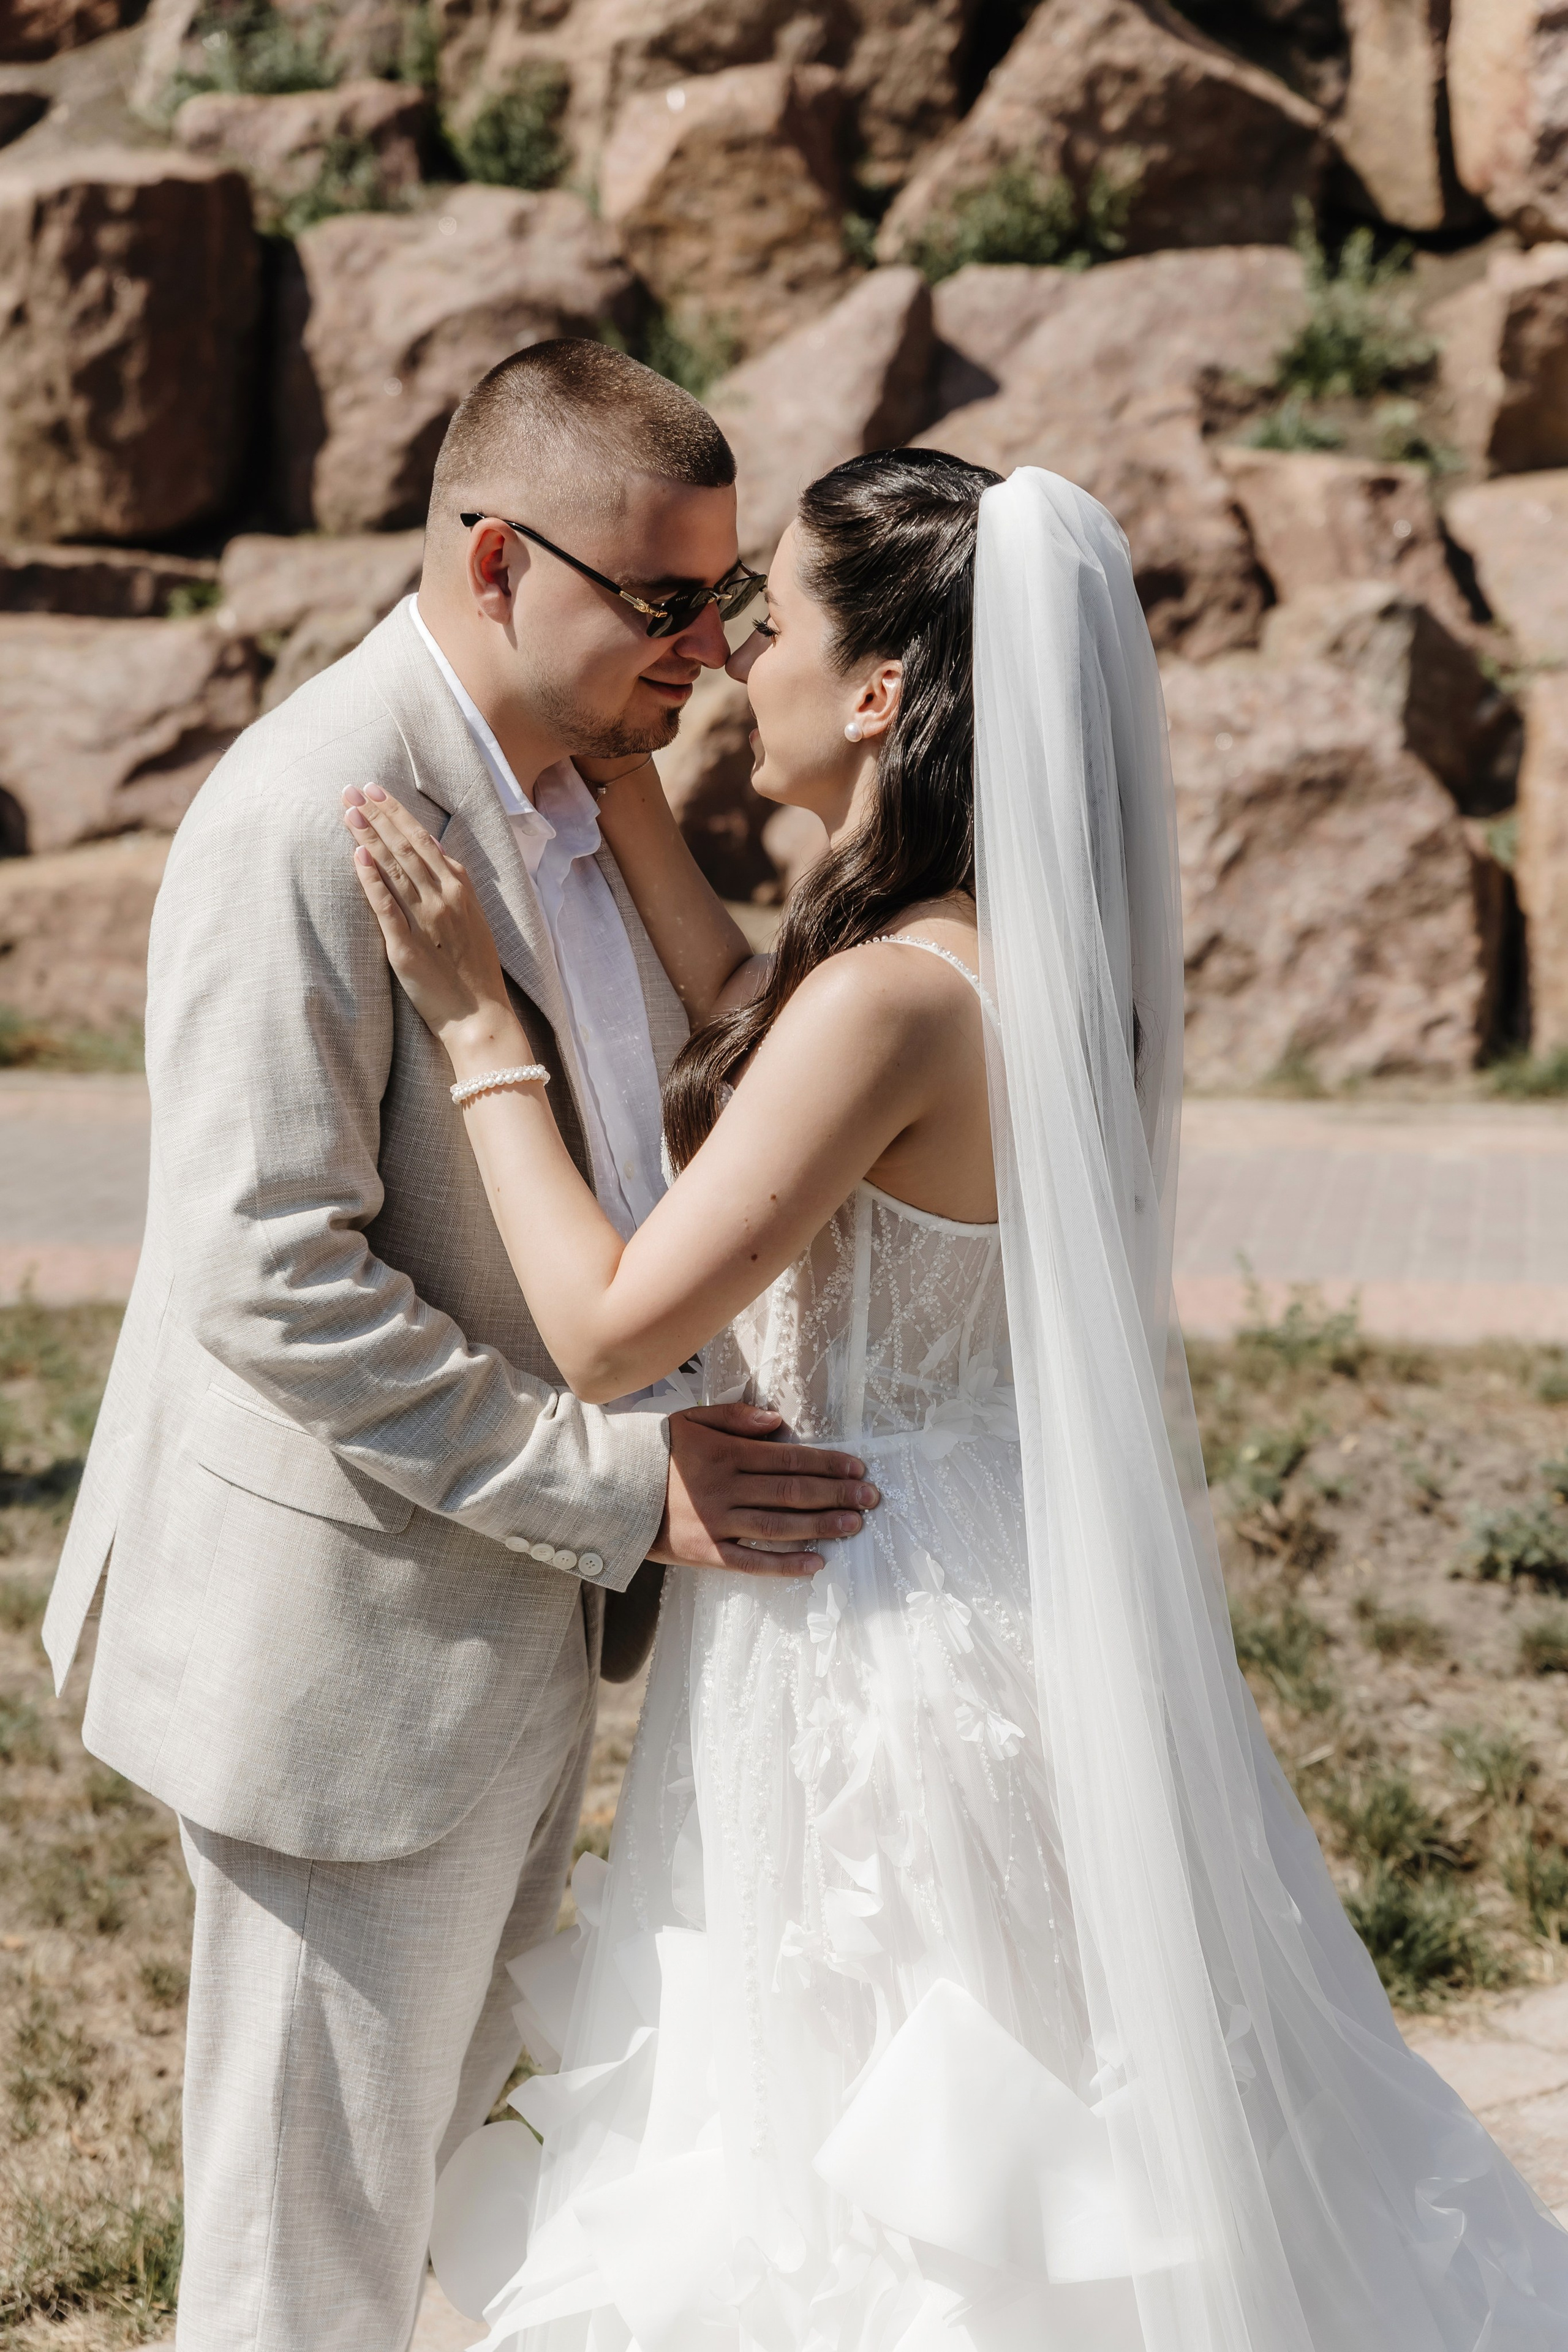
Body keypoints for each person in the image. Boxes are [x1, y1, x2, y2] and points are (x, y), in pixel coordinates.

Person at [346, 447, 1568, 2351]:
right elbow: (786, 1049)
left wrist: (478, 1031)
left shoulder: (892, 1003)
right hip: (1006, 1582)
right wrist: (642, 816)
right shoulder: (997, 953)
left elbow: (603, 1333)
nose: (734, 656)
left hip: (871, 1618)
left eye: (775, 620)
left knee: (881, 2177)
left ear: (881, 694)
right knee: (1060, 2148)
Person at [40, 339, 880, 2352]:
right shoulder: (302, 821)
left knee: (481, 2195)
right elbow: (267, 1274)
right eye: (662, 602)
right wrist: (622, 1487)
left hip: (496, 1635)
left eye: (725, 595)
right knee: (301, 2267)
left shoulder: (586, 796)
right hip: (333, 1663)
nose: (704, 647)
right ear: (500, 561)